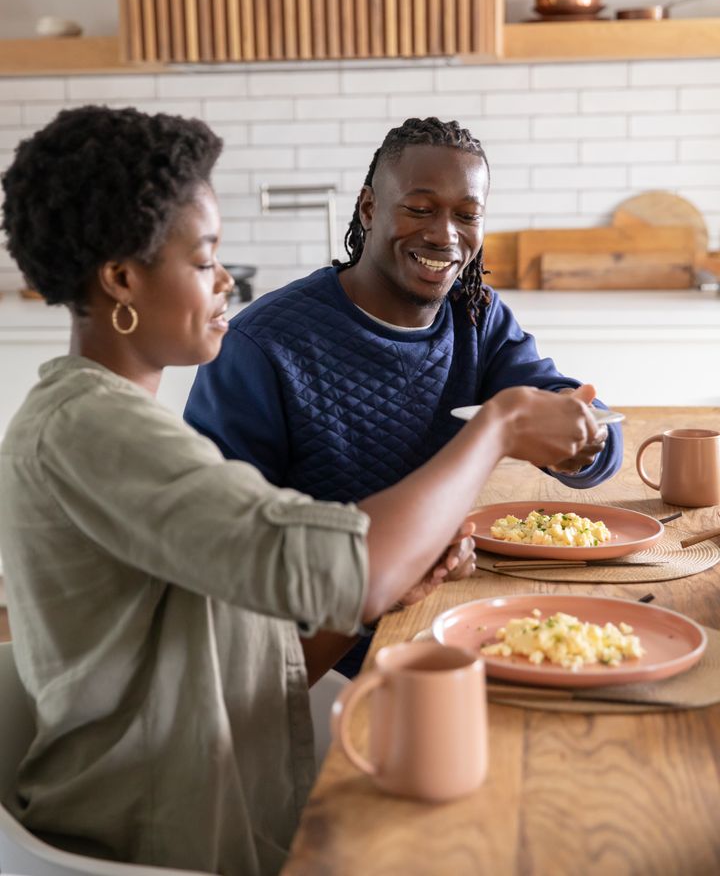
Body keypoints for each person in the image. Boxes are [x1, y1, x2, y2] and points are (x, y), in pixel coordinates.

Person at [0, 106, 601, 876]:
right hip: (158, 835)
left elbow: (254, 651)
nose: (225, 282)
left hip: (229, 789)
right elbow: (333, 563)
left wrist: (380, 597)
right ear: (121, 278)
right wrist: (498, 426)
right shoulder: (91, 433)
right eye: (204, 258)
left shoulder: (118, 422)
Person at [185, 116, 623, 677]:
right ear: (368, 208)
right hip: (322, 659)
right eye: (420, 208)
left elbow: (585, 424)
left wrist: (581, 441)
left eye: (467, 215)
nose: (445, 234)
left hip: (448, 616)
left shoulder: (477, 318)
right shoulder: (259, 347)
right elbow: (227, 560)